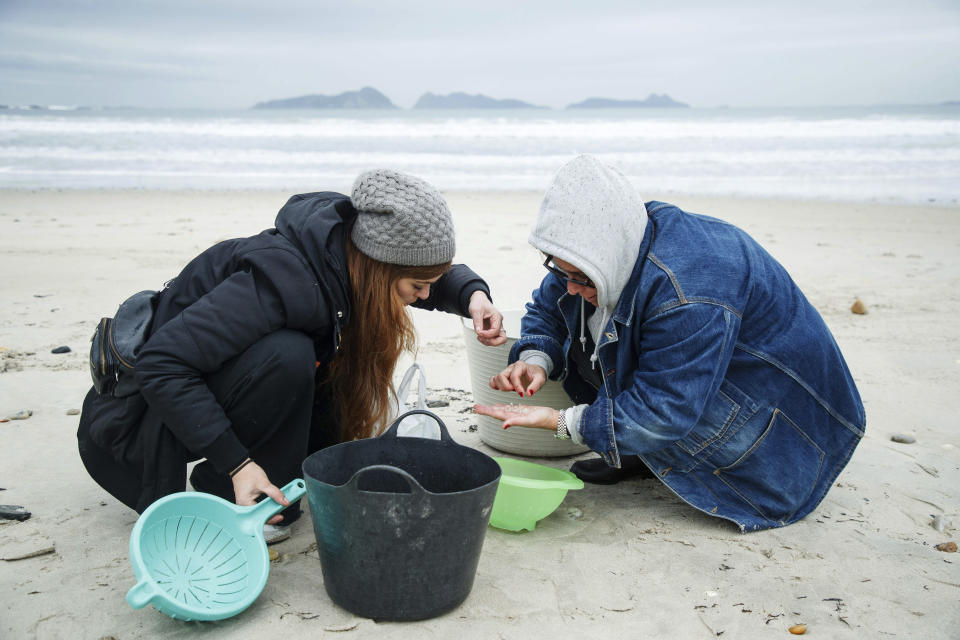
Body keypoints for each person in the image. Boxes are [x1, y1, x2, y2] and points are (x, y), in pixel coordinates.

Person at [78, 169, 505, 539]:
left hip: (210, 389)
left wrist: (472, 295)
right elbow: (162, 365)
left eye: (433, 284)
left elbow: (425, 272)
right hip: (133, 430)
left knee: (320, 372)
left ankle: (262, 477)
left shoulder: (345, 256)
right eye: (417, 288)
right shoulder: (280, 282)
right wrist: (238, 464)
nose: (425, 297)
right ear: (378, 270)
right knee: (290, 353)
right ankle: (227, 487)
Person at [475, 155, 865, 532]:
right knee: (578, 316)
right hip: (695, 379)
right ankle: (635, 452)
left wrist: (560, 422)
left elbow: (664, 409)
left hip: (784, 442)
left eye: (582, 277)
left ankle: (640, 445)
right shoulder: (599, 250)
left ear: (609, 253)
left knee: (656, 403)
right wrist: (536, 358)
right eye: (563, 271)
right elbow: (548, 305)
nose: (572, 285)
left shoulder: (688, 291)